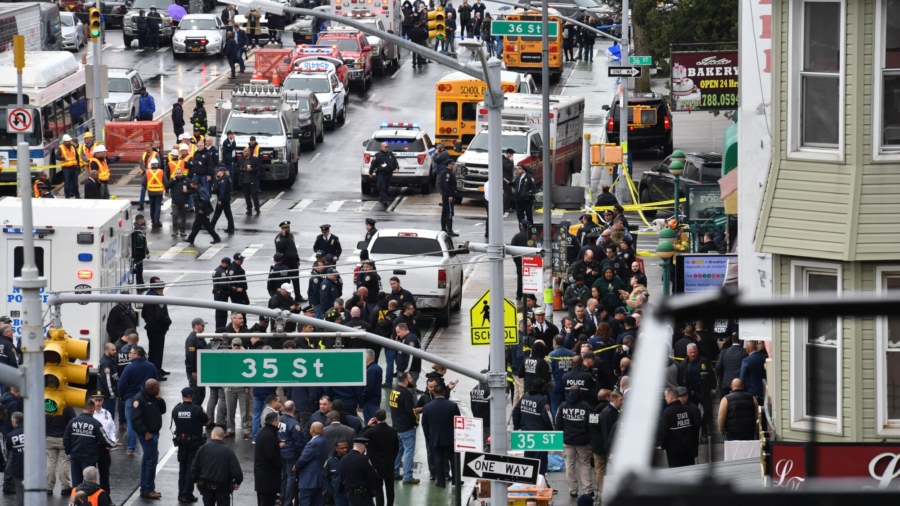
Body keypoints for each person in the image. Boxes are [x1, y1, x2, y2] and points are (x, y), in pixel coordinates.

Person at [64, 399, 114, 489]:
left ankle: (76, 500)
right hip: (89, 457)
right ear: (93, 409)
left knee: (76, 482)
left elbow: (66, 438)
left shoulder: (73, 421)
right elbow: (104, 439)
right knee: (89, 482)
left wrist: (69, 452)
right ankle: (88, 501)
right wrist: (113, 444)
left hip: (75, 456)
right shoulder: (95, 423)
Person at [131, 378, 166, 499]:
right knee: (152, 459)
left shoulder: (154, 397)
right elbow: (135, 419)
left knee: (147, 459)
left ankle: (145, 488)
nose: (159, 389)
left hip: (154, 432)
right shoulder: (139, 399)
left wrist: (160, 400)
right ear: (149, 389)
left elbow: (163, 410)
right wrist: (145, 432)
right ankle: (149, 489)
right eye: (156, 388)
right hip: (147, 435)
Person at [420, 384, 460, 488]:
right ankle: (456, 480)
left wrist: (429, 437)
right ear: (444, 392)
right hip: (451, 439)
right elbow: (458, 422)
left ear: (433, 393)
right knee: (453, 459)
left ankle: (440, 481)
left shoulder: (427, 407)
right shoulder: (452, 406)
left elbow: (424, 424)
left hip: (435, 439)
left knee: (438, 460)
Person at [191, 427, 243, 506]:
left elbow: (194, 467)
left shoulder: (203, 449)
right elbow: (236, 470)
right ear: (222, 436)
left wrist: (196, 481)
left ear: (214, 435)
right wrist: (238, 481)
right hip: (223, 488)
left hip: (206, 487)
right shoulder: (228, 451)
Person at [361, 409, 400, 505]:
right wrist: (392, 458)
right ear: (385, 417)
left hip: (375, 464)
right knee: (390, 486)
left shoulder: (370, 432)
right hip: (389, 463)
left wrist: (367, 426)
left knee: (378, 487)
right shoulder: (393, 431)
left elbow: (359, 438)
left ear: (375, 418)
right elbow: (396, 448)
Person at [389, 372, 418, 484]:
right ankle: (407, 476)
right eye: (410, 378)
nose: (412, 380)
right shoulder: (406, 394)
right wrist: (415, 423)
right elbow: (411, 412)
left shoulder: (394, 391)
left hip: (396, 426)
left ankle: (395, 472)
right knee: (409, 452)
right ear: (406, 380)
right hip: (406, 427)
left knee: (399, 451)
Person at [658, 387, 698, 468]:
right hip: (688, 449)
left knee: (676, 474)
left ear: (670, 397)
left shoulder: (667, 412)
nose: (665, 399)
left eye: (665, 397)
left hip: (673, 451)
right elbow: (694, 429)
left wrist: (664, 445)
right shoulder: (688, 410)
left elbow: (663, 431)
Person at [141, 279, 172, 375]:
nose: (162, 290)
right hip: (157, 329)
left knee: (155, 350)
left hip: (152, 328)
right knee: (156, 351)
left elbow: (143, 314)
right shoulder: (156, 298)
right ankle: (156, 371)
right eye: (161, 289)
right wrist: (168, 321)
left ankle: (157, 368)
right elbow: (159, 315)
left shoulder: (150, 296)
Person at [294, 421, 329, 506]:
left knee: (305, 501)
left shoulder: (313, 443)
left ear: (312, 430)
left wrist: (296, 466)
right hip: (318, 478)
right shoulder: (324, 441)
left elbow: (304, 458)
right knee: (317, 502)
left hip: (309, 479)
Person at [340, 438, 381, 506]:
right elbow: (373, 476)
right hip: (362, 495)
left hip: (349, 493)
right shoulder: (363, 459)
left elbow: (342, 476)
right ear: (363, 447)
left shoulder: (343, 459)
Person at [278, 401, 304, 505]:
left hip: (281, 453)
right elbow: (298, 442)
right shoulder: (294, 424)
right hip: (291, 454)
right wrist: (300, 456)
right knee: (291, 478)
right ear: (294, 408)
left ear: (284, 408)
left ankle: (282, 498)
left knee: (284, 476)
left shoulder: (279, 420)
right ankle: (288, 501)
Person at [255, 412, 283, 506]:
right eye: (278, 420)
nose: (279, 423)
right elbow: (271, 455)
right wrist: (280, 464)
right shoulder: (270, 435)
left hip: (262, 478)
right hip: (268, 479)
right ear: (274, 422)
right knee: (267, 502)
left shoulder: (263, 432)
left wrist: (277, 447)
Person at [90, 391, 117, 493]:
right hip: (92, 448)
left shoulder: (107, 413)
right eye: (96, 400)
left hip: (104, 448)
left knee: (104, 475)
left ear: (103, 400)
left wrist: (112, 443)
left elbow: (111, 430)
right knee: (91, 475)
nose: (98, 403)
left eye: (100, 400)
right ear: (92, 400)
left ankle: (105, 497)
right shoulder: (90, 414)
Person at [46, 406, 76, 496]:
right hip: (64, 438)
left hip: (49, 437)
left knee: (50, 462)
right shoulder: (67, 406)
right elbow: (73, 421)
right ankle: (65, 487)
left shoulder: (47, 404)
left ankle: (49, 487)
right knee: (64, 462)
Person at [186, 179, 222, 246]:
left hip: (202, 212)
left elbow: (205, 200)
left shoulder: (200, 190)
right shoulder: (197, 190)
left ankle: (217, 238)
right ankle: (191, 238)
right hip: (199, 211)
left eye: (191, 185)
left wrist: (202, 209)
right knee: (196, 225)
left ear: (195, 185)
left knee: (208, 226)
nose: (190, 186)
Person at [275, 221, 303, 297]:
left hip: (293, 262)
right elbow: (279, 247)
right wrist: (283, 237)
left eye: (288, 227)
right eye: (286, 228)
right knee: (286, 281)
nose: (288, 229)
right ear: (282, 229)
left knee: (296, 280)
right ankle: (287, 296)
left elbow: (294, 248)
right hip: (285, 262)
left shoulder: (291, 236)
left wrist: (297, 259)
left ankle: (298, 296)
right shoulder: (279, 238)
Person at [142, 158, 167, 228]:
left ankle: (153, 220)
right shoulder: (161, 172)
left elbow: (143, 182)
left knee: (152, 206)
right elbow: (165, 182)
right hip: (159, 192)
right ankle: (156, 220)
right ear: (158, 164)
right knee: (157, 206)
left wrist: (147, 187)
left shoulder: (147, 172)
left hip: (150, 192)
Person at [210, 167, 235, 233]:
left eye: (218, 171)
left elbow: (222, 190)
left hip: (223, 199)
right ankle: (231, 228)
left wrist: (220, 199)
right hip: (226, 198)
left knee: (217, 213)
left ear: (222, 172)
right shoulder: (224, 179)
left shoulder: (224, 180)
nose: (217, 172)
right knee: (228, 214)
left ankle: (211, 227)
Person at [438, 159, 459, 236]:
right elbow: (445, 185)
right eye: (451, 164)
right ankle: (449, 229)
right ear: (448, 164)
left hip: (447, 195)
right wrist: (450, 195)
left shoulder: (448, 172)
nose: (452, 166)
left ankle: (444, 228)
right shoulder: (446, 173)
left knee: (445, 211)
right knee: (449, 212)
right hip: (448, 195)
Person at [57, 134, 81, 198]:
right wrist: (64, 159)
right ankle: (67, 196)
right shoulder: (61, 148)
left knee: (75, 183)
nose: (69, 142)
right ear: (64, 142)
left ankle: (77, 195)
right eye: (68, 141)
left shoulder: (73, 147)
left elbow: (77, 156)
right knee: (67, 183)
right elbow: (56, 156)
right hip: (66, 168)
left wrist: (78, 166)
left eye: (70, 141)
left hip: (74, 167)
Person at [240, 145, 261, 214]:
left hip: (252, 181)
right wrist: (240, 169)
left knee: (254, 195)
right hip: (244, 181)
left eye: (245, 151)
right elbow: (236, 168)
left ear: (249, 152)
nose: (244, 153)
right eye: (243, 151)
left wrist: (252, 169)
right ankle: (249, 209)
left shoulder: (254, 159)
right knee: (247, 196)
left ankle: (257, 208)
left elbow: (259, 167)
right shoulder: (241, 160)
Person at [7, 411, 23, 506]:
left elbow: (9, 449)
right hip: (32, 467)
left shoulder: (10, 435)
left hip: (18, 466)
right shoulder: (31, 432)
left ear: (14, 422)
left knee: (20, 493)